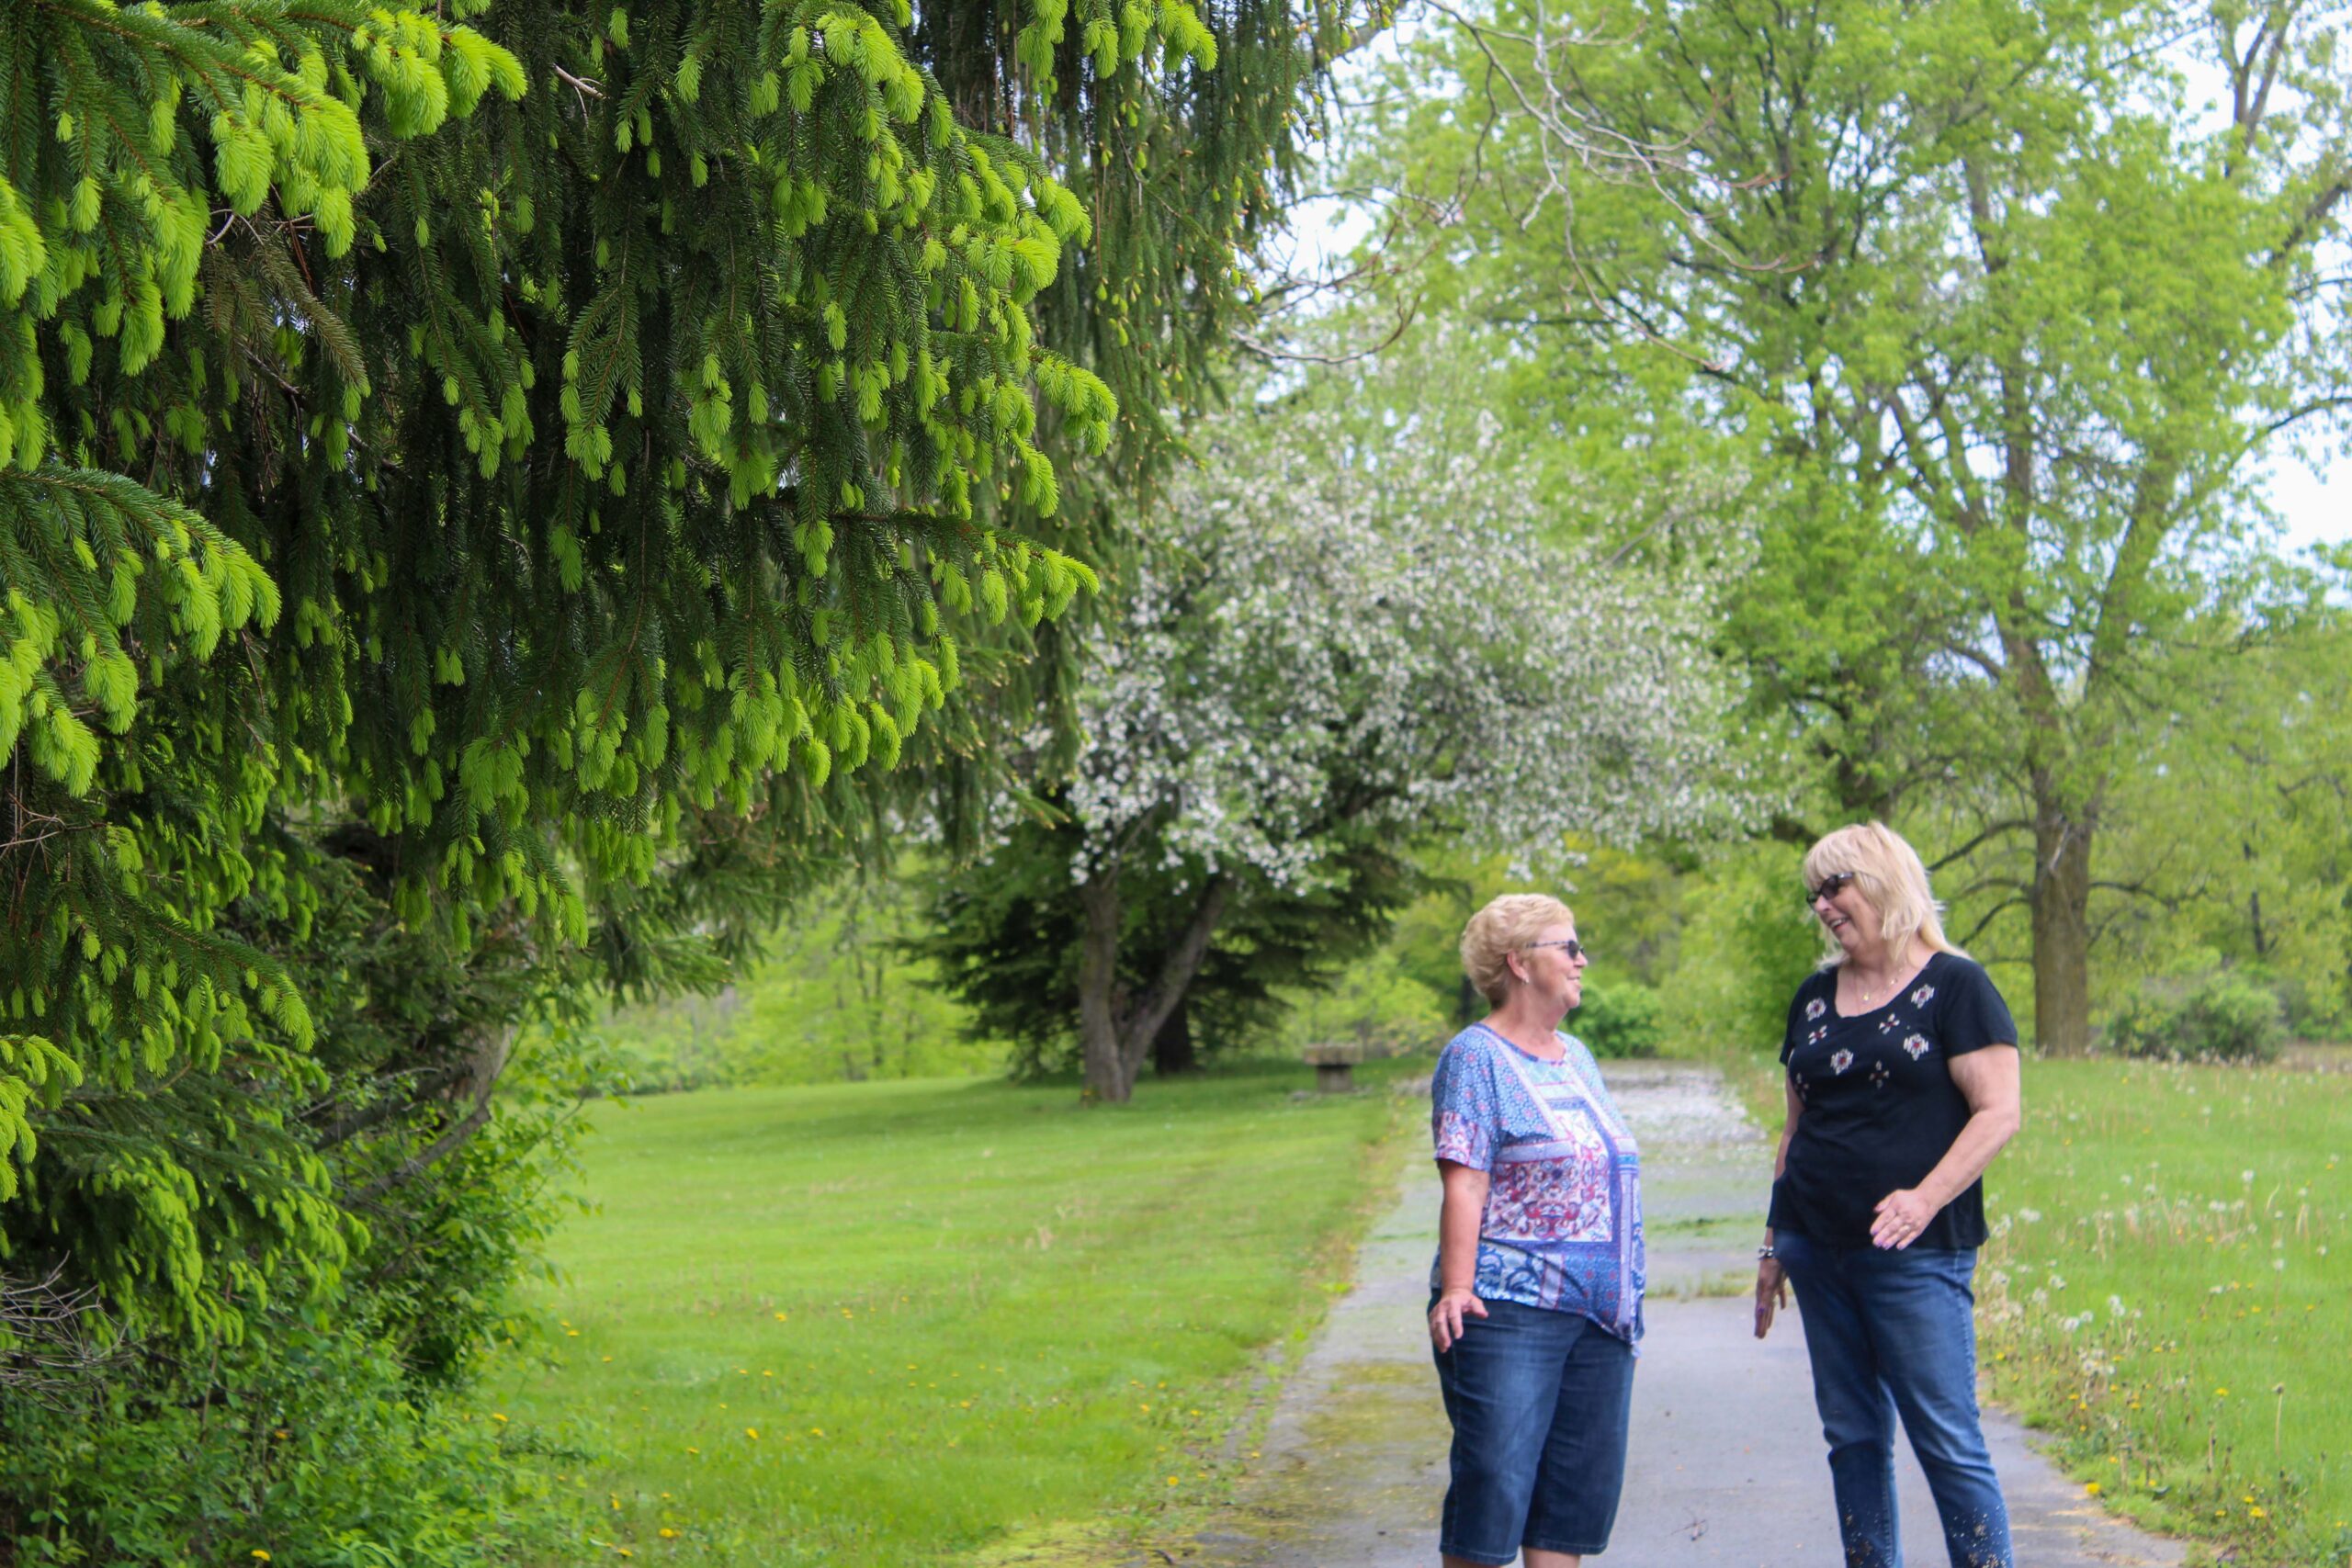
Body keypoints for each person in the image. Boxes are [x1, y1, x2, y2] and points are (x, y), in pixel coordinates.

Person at [1755, 821, 2025, 1568]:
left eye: (1834, 885)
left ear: (1883, 880)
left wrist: (1923, 1198)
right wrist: (1773, 1243)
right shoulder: (1813, 996)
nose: (1822, 905)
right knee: (1853, 1437)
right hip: (1817, 1248)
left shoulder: (1956, 985)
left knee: (1947, 1440)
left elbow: (1999, 1111)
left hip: (1914, 1253)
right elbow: (1795, 1129)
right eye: (1814, 893)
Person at [1427, 893, 1644, 1568]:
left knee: (1566, 1507)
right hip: (1508, 1309)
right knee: (1493, 1492)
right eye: (1567, 947)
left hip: (1599, 1316)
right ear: (1519, 963)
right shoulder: (1476, 1056)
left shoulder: (1575, 1055)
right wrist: (1456, 1287)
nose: (1582, 959)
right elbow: (1465, 1178)